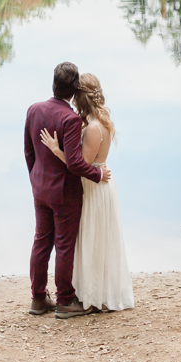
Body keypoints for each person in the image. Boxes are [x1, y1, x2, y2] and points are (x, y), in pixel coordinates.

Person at [39, 72, 134, 312]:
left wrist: (55, 149)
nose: (72, 101)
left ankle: (92, 297)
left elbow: (79, 165)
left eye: (75, 97)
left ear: (81, 97)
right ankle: (94, 292)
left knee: (92, 239)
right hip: (100, 182)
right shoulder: (100, 120)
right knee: (96, 238)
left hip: (94, 186)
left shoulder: (93, 127)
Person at [23, 62, 109, 319]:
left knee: (41, 242)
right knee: (63, 245)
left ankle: (38, 299)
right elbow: (75, 162)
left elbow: (28, 151)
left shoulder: (34, 109)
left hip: (40, 188)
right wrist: (97, 174)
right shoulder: (70, 119)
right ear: (73, 91)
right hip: (64, 193)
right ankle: (64, 301)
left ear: (53, 83)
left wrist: (35, 178)